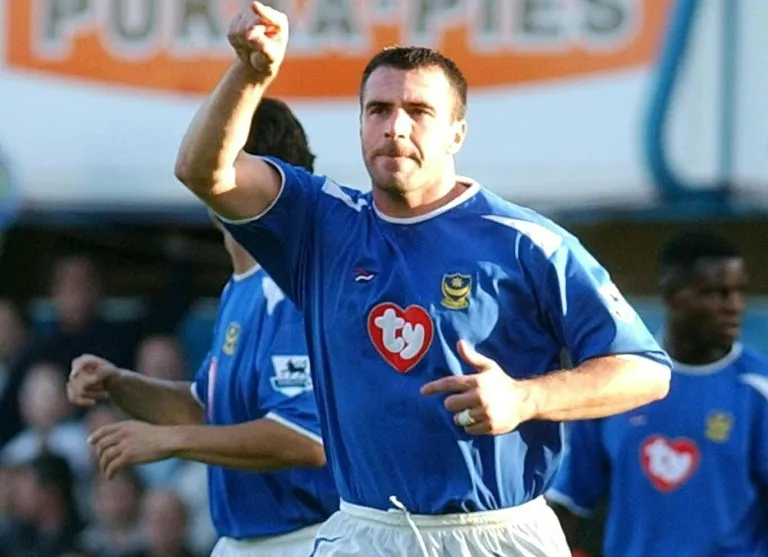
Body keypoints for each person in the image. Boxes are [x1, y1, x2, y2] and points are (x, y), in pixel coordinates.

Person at [173, 3, 671, 555]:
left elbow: (646, 371)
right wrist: (250, 73)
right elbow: (203, 170)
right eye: (379, 110)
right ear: (361, 123)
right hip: (363, 533)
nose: (396, 128)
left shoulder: (526, 242)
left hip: (498, 533)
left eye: (419, 111)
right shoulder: (320, 224)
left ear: (457, 132)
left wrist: (525, 398)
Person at [67, 97, 339, 557]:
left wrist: (171, 442)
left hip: (306, 540)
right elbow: (206, 413)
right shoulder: (242, 286)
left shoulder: (293, 287)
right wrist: (118, 383)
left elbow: (306, 438)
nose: (196, 169)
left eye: (209, 155)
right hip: (245, 541)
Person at [547, 230, 768, 557]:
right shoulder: (618, 380)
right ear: (671, 294)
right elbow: (570, 500)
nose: (734, 306)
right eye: (715, 292)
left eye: (739, 292)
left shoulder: (758, 388)